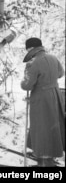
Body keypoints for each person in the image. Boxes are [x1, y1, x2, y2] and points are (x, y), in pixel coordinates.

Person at [21, 37, 65, 167]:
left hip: (41, 98)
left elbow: (27, 85)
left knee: (42, 128)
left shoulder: (32, 62)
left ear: (30, 48)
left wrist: (23, 81)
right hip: (55, 95)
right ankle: (48, 158)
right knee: (53, 127)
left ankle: (45, 162)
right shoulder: (53, 57)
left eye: (27, 48)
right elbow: (61, 73)